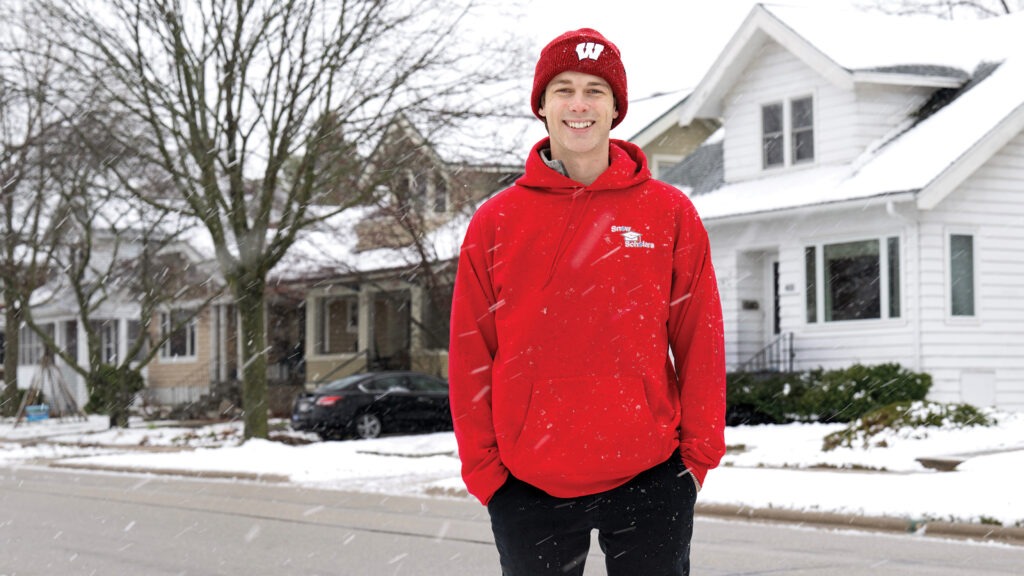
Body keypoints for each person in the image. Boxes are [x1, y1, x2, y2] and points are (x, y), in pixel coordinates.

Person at [448, 27, 726, 576]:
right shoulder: (496, 221)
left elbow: (701, 339)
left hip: (651, 475)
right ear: (543, 106)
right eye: (565, 89)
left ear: (615, 108)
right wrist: (486, 472)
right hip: (527, 483)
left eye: (596, 90)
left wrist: (696, 459)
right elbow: (469, 351)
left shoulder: (667, 212)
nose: (580, 104)